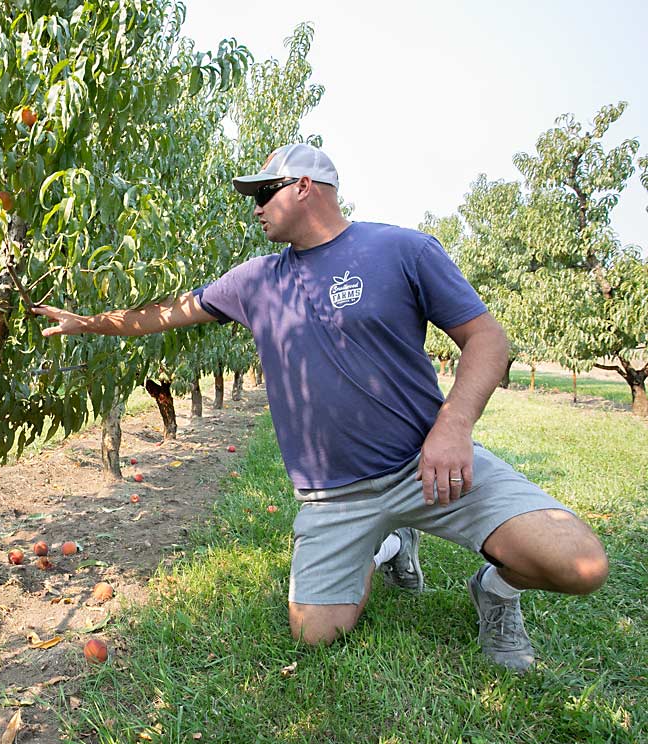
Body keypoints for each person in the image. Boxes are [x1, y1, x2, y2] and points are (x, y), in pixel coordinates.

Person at [32, 143, 608, 672]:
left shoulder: (402, 250)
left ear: (305, 186)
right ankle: (385, 544)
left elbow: (488, 340)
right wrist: (90, 323)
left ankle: (495, 590)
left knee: (580, 564)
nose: (255, 208)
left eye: (264, 193)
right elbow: (169, 312)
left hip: (426, 465)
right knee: (315, 635)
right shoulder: (255, 281)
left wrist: (454, 425)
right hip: (333, 497)